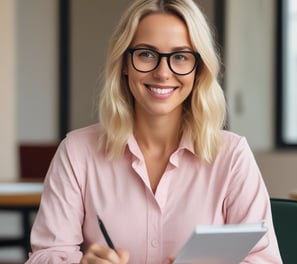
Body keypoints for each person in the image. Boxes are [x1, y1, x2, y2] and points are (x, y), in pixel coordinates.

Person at [26, 0, 282, 263]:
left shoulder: (232, 156)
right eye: (146, 54)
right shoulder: (77, 152)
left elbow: (263, 259)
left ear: (198, 69)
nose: (162, 73)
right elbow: (46, 255)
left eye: (181, 57)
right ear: (125, 63)